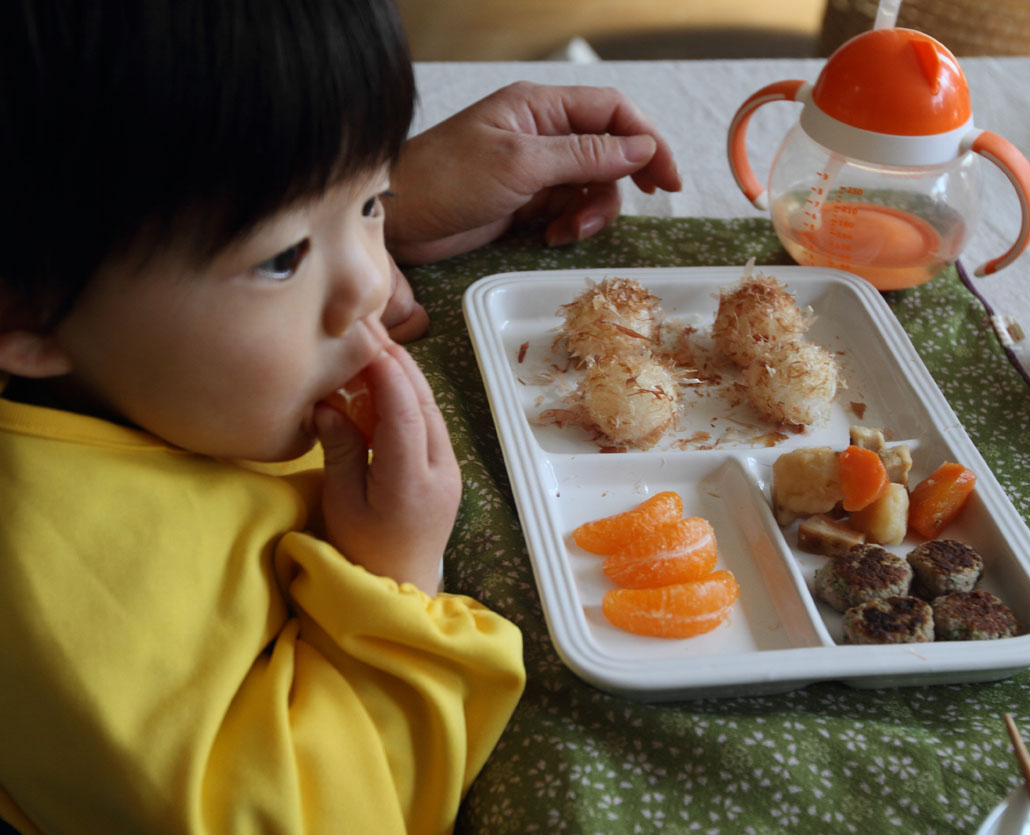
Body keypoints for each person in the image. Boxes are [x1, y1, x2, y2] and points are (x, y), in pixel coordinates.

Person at [0, 1, 681, 832]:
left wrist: (358, 203)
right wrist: (393, 578)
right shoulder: (65, 599)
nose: (368, 278)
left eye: (371, 199)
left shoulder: (145, 357)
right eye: (282, 255)